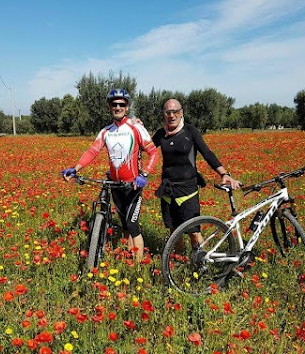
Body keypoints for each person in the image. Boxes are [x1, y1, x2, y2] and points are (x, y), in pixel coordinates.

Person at [62, 89, 159, 262]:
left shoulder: (136, 128)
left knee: (132, 224)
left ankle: (138, 269)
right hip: (115, 185)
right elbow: (92, 151)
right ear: (109, 107)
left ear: (127, 107)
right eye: (114, 104)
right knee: (124, 225)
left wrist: (144, 174)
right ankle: (130, 258)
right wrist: (75, 168)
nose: (118, 107)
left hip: (133, 186)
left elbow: (153, 153)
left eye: (122, 104)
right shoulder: (106, 132)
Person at [152, 98, 242, 250]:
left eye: (175, 112)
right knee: (174, 231)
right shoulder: (161, 134)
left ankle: (201, 264)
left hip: (188, 189)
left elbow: (207, 153)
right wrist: (137, 128)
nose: (171, 115)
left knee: (194, 231)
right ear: (163, 114)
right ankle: (178, 261)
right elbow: (145, 147)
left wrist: (224, 174)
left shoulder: (190, 131)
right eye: (168, 112)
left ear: (181, 113)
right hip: (168, 189)